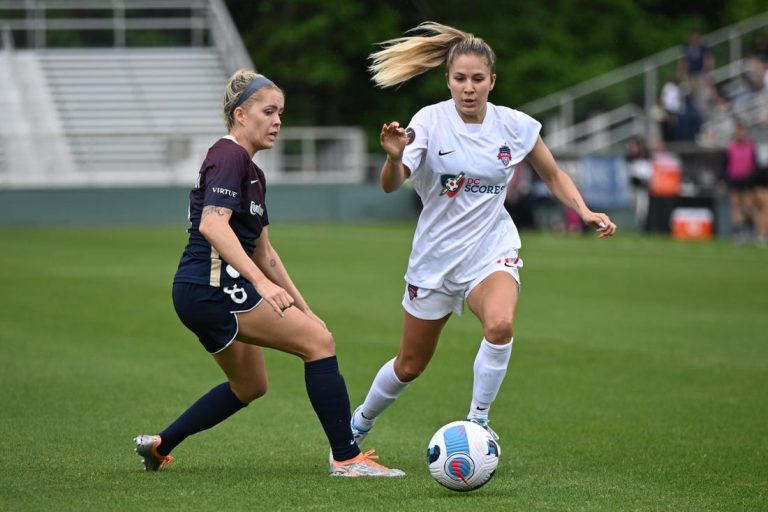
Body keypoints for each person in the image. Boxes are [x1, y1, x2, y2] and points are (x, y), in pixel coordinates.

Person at [349, 22, 616, 444]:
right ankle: (359, 424)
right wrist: (394, 158)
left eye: (477, 79)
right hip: (436, 259)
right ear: (447, 80)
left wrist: (583, 210)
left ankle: (478, 423)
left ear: (492, 80)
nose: (468, 88)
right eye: (460, 79)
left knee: (500, 324)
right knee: (410, 365)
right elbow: (390, 184)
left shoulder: (514, 125)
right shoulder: (429, 121)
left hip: (491, 250)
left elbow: (552, 173)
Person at [134, 69, 403, 478]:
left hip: (201, 290)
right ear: (240, 115)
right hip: (211, 286)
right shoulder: (228, 155)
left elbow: (265, 253)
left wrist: (304, 309)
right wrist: (260, 284)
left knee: (251, 385)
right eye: (269, 112)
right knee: (319, 344)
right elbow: (212, 225)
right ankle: (347, 459)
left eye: (281, 113)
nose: (277, 121)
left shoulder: (253, 173)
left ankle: (159, 444)